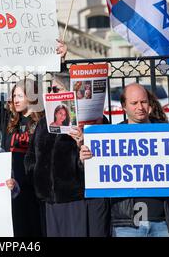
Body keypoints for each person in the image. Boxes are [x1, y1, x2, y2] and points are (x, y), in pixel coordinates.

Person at [80, 83, 169, 237]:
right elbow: (96, 174)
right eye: (134, 103)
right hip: (126, 224)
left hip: (165, 222)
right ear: (124, 106)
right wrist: (85, 160)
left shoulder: (168, 132)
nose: (140, 107)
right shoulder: (111, 137)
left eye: (144, 102)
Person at [25, 73, 110, 237]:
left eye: (56, 89)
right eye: (50, 89)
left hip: (78, 199)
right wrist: (36, 175)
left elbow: (102, 159)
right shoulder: (44, 123)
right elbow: (32, 155)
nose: (52, 93)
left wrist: (82, 143)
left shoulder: (94, 120)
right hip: (51, 201)